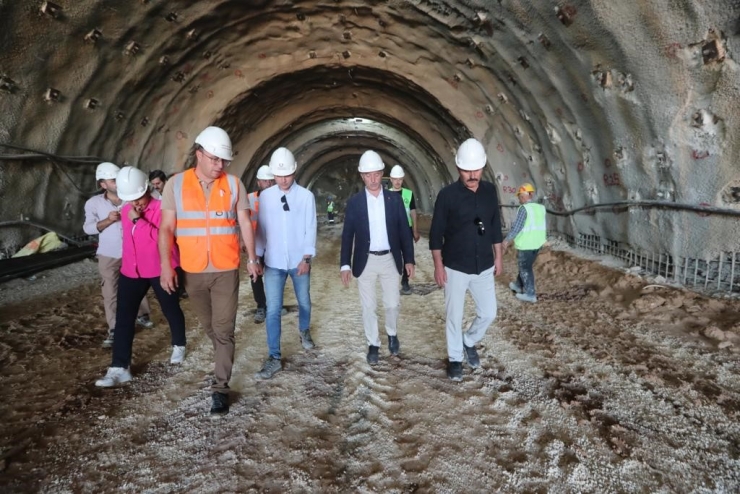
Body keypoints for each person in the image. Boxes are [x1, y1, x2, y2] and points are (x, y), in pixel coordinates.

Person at [158, 126, 261, 415]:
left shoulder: (233, 184)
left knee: (223, 329)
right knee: (209, 328)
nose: (220, 166)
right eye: (214, 159)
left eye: (224, 161)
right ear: (199, 154)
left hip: (226, 268)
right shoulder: (175, 186)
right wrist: (167, 266)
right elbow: (166, 228)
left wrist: (252, 258)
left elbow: (244, 223)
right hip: (192, 270)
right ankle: (222, 361)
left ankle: (220, 387)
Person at [95, 167, 187, 387]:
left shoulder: (164, 209)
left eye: (139, 198)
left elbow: (164, 238)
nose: (135, 204)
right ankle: (119, 367)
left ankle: (179, 344)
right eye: (131, 200)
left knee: (170, 307)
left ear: (147, 189)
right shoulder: (128, 209)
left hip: (161, 268)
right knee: (124, 317)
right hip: (132, 271)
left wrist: (139, 221)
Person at [429, 138, 504, 382]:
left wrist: (499, 257)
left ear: (483, 167)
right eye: (466, 170)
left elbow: (494, 227)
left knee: (489, 313)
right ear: (458, 168)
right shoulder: (447, 196)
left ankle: (468, 340)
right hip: (455, 267)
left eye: (476, 169)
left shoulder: (491, 191)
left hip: (483, 265)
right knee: (453, 315)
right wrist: (439, 266)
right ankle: (454, 360)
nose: (472, 175)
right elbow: (435, 233)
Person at [340, 151, 415, 365]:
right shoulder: (355, 203)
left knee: (392, 304)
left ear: (382, 174)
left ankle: (392, 333)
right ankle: (373, 343)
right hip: (366, 261)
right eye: (368, 175)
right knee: (369, 307)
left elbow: (404, 232)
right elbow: (347, 236)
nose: (372, 179)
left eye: (376, 174)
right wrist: (345, 264)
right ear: (362, 176)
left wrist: (409, 259)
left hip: (390, 259)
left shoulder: (394, 200)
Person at [254, 147, 317, 379]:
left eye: (287, 174)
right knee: (272, 310)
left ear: (294, 172)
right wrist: (257, 257)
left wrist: (307, 257)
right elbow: (261, 229)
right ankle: (274, 356)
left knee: (304, 302)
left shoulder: (305, 197)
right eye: (279, 175)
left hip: (299, 260)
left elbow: (311, 227)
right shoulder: (266, 197)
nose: (282, 179)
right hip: (273, 262)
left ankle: (304, 330)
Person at [83, 162, 153, 349]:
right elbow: (88, 228)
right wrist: (107, 220)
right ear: (103, 184)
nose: (117, 183)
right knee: (111, 291)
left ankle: (142, 314)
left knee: (138, 283)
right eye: (113, 180)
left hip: (134, 251)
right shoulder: (94, 203)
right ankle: (114, 328)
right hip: (109, 254)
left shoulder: (132, 198)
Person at [503, 183, 547, 303]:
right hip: (537, 243)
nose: (520, 198)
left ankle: (530, 294)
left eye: (521, 196)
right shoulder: (540, 208)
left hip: (526, 244)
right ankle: (518, 285)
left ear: (529, 195)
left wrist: (507, 239)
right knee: (526, 266)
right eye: (520, 196)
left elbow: (517, 227)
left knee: (525, 268)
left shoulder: (524, 209)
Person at [247, 165, 275, 324]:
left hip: (272, 245)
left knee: (273, 275)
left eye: (271, 181)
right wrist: (244, 241)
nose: (269, 184)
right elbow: (242, 222)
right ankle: (261, 306)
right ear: (259, 182)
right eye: (265, 181)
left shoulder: (280, 197)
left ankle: (272, 305)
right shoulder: (250, 199)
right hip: (255, 244)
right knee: (255, 276)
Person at [388, 164, 421, 295]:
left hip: (406, 229)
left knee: (408, 256)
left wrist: (415, 230)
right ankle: (391, 281)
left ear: (403, 179)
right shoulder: (386, 195)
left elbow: (413, 212)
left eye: (400, 179)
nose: (397, 181)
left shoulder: (408, 194)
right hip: (392, 230)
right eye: (395, 179)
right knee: (392, 256)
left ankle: (405, 282)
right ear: (390, 179)